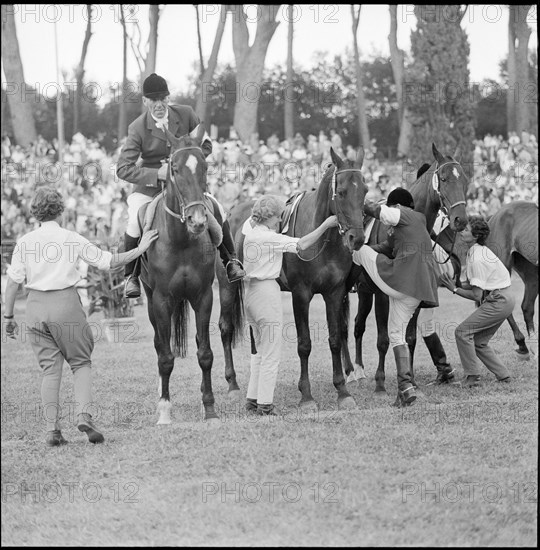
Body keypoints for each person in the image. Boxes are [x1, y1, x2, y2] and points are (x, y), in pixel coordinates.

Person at [3, 187, 159, 446]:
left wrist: (8, 318)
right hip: (65, 304)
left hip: (35, 307)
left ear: (35, 213)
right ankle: (84, 415)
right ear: (61, 211)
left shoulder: (24, 242)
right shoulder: (71, 237)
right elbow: (109, 262)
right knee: (80, 363)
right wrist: (140, 248)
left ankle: (52, 430)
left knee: (49, 371)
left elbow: (12, 284)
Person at [116, 72, 245, 298]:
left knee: (218, 209)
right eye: (153, 100)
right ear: (145, 101)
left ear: (168, 98)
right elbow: (123, 168)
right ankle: (131, 276)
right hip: (152, 185)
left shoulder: (185, 114)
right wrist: (158, 173)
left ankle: (231, 261)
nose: (158, 105)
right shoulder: (137, 128)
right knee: (135, 218)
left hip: (186, 182)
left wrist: (188, 159)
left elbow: (206, 145)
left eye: (162, 99)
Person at [241, 195, 339, 416]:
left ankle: (253, 398)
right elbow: (302, 244)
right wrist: (326, 225)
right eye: (277, 217)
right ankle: (265, 404)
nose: (279, 222)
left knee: (259, 351)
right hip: (266, 292)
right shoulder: (269, 237)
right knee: (271, 352)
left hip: (251, 293)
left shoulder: (250, 233)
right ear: (270, 218)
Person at [352, 188, 439, 406]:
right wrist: (373, 249)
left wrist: (354, 199)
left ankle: (351, 280)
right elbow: (386, 247)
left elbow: (377, 210)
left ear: (397, 205)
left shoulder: (403, 213)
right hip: (416, 293)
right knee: (396, 334)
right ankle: (406, 387)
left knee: (357, 251)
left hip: (402, 280)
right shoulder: (415, 224)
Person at [439, 218, 513, 386]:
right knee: (479, 342)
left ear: (475, 235)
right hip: (504, 298)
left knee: (462, 332)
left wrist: (455, 289)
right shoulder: (477, 250)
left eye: (466, 230)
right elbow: (474, 284)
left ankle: (472, 377)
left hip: (499, 300)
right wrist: (453, 284)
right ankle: (504, 375)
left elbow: (476, 295)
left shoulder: (477, 258)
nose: (462, 232)